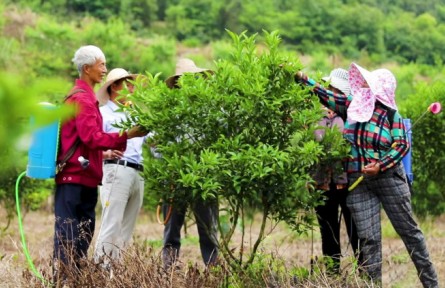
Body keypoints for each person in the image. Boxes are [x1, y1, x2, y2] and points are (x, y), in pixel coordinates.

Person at [295, 63, 438, 287]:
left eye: (368, 84)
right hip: (360, 183)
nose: (362, 86)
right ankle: (372, 284)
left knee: (409, 233)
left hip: (389, 180)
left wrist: (380, 165)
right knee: (369, 240)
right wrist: (305, 80)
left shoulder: (392, 115)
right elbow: (328, 96)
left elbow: (401, 145)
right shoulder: (353, 106)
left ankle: (431, 283)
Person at [53, 46, 147, 283]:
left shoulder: (86, 98)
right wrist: (126, 135)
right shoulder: (83, 99)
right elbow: (91, 137)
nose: (104, 69)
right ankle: (63, 281)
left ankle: (74, 280)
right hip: (74, 177)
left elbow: (87, 142)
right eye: (101, 64)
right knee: (69, 234)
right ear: (87, 68)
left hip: (84, 177)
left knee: (81, 235)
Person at [161, 58, 219, 269]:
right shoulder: (170, 111)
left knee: (208, 227)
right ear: (178, 83)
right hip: (175, 176)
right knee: (171, 227)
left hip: (204, 176)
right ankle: (168, 271)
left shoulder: (211, 110)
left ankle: (213, 269)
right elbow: (158, 145)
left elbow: (220, 140)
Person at [93, 68, 147, 266]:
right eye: (126, 83)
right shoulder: (103, 113)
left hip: (137, 170)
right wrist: (105, 153)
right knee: (111, 223)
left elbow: (153, 142)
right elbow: (92, 142)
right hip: (115, 169)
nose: (131, 88)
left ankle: (117, 273)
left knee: (127, 227)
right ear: (114, 86)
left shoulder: (136, 112)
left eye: (131, 84)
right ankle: (100, 271)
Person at [312, 69, 361, 275]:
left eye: (333, 88)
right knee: (328, 231)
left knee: (355, 229)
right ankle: (333, 275)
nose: (329, 92)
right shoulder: (314, 115)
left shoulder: (352, 116)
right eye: (328, 88)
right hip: (322, 182)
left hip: (348, 182)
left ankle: (364, 274)